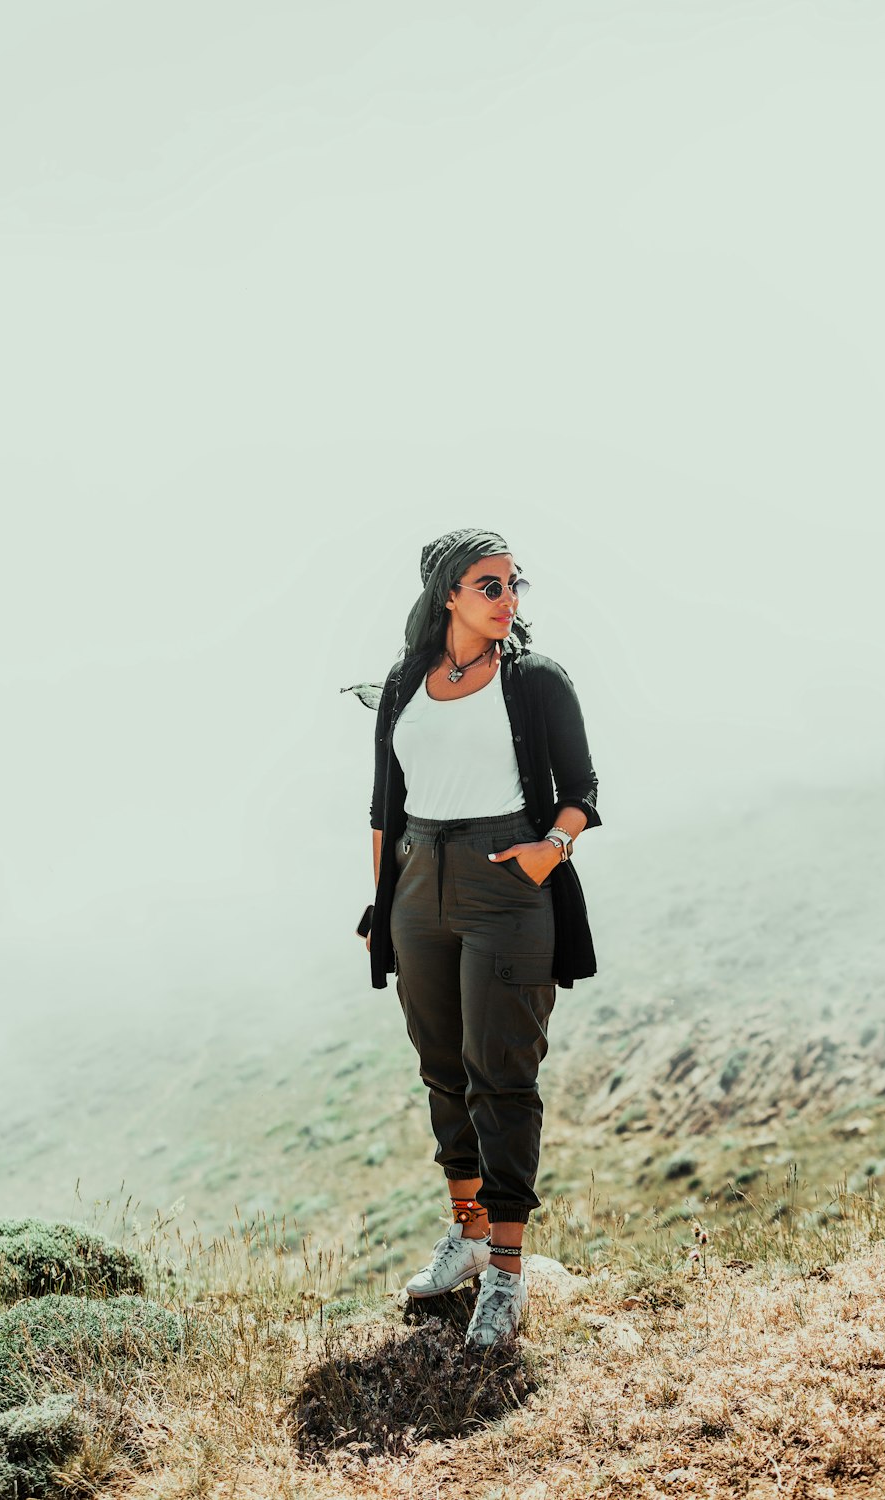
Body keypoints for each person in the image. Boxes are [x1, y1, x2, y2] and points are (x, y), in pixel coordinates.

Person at [345, 527, 600, 1348]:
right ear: (449, 591)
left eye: (515, 585)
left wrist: (548, 851)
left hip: (506, 885)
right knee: (443, 1067)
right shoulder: (402, 683)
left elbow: (582, 791)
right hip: (418, 881)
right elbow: (386, 805)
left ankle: (506, 1273)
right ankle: (466, 1231)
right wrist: (382, 907)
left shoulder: (535, 682)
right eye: (491, 586)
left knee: (504, 1076)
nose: (508, 600)